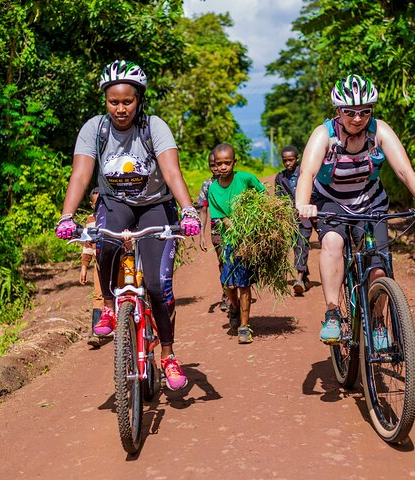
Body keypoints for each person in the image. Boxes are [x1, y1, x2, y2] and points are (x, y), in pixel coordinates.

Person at [55, 60, 200, 390]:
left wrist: (188, 210)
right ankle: (108, 306)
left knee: (157, 287)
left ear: (139, 100)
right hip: (115, 205)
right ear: (105, 101)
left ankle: (168, 355)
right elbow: (80, 174)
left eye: (128, 101)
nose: (120, 109)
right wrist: (67, 215)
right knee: (104, 243)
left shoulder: (154, 127)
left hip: (156, 207)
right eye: (113, 102)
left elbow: (172, 172)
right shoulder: (95, 129)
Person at [294, 74, 415, 344]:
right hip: (331, 201)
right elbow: (306, 173)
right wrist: (303, 205)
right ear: (338, 111)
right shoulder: (324, 135)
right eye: (349, 112)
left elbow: (404, 171)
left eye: (364, 111)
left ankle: (377, 323)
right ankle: (332, 313)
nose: (357, 118)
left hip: (370, 200)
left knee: (378, 267)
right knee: (331, 242)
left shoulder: (379, 131)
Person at [207, 143, 266, 344]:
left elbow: (262, 195)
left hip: (247, 241)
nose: (223, 167)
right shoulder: (213, 189)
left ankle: (244, 326)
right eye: (219, 163)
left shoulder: (245, 178)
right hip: (229, 241)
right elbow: (219, 216)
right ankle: (234, 306)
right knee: (228, 284)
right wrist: (230, 222)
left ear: (235, 162)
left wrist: (254, 215)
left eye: (228, 163)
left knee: (243, 284)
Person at [274, 145, 315, 297]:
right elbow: (278, 197)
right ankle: (305, 276)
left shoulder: (305, 174)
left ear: (297, 159)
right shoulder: (280, 177)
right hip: (290, 218)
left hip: (305, 216)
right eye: (285, 161)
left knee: (302, 243)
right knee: (296, 245)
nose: (288, 163)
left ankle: (298, 279)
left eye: (290, 160)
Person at [196, 151, 229, 312]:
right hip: (217, 232)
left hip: (236, 229)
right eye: (212, 165)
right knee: (223, 262)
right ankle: (227, 294)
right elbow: (203, 210)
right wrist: (201, 234)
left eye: (217, 164)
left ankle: (236, 293)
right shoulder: (207, 185)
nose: (216, 168)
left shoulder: (233, 181)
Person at [79, 187, 110, 348]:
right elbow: (88, 244)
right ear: (92, 205)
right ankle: (95, 332)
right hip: (100, 264)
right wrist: (84, 265)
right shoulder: (91, 221)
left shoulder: (114, 216)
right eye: (96, 204)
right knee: (99, 295)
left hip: (119, 263)